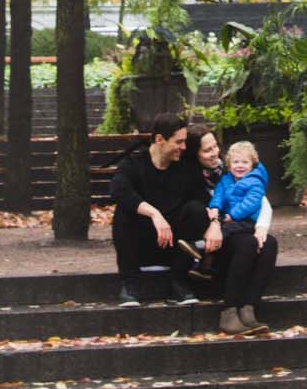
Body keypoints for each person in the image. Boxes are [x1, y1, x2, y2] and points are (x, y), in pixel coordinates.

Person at [109, 116, 215, 307]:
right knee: (124, 212)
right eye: (179, 142)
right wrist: (154, 214)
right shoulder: (133, 164)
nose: (184, 147)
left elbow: (204, 200)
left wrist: (214, 224)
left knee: (196, 210)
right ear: (159, 140)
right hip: (140, 245)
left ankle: (179, 282)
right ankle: (130, 284)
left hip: (175, 246)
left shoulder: (186, 167)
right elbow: (118, 190)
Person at [197, 139, 279, 336]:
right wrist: (216, 211)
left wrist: (260, 227)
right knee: (249, 243)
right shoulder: (223, 178)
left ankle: (249, 308)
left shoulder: (252, 179)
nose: (240, 166)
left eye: (245, 162)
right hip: (222, 229)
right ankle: (230, 310)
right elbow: (217, 196)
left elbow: (257, 202)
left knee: (270, 243)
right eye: (236, 162)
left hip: (238, 222)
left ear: (252, 164)